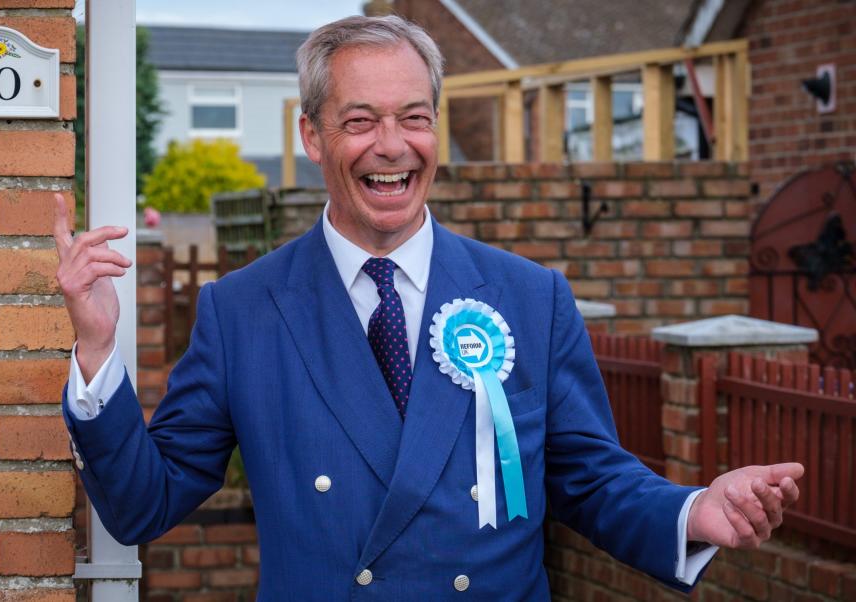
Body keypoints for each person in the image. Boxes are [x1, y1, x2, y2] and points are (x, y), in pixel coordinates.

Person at [55, 15, 803, 600]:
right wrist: (95, 354)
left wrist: (693, 510)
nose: (393, 146)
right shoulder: (241, 311)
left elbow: (589, 479)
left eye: (414, 117)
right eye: (360, 121)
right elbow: (144, 505)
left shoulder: (530, 297)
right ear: (310, 135)